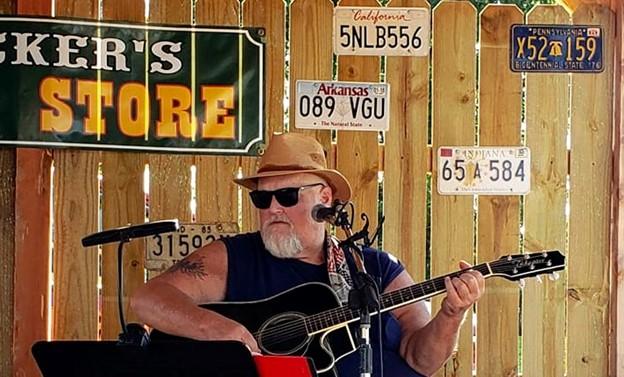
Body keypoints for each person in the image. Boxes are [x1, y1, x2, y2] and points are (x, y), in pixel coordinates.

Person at [131, 133, 485, 377]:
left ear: (325, 199)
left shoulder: (375, 267)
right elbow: (147, 300)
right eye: (262, 198)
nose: (272, 208)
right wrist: (220, 329)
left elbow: (421, 360)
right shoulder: (234, 257)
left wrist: (451, 314)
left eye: (286, 196)